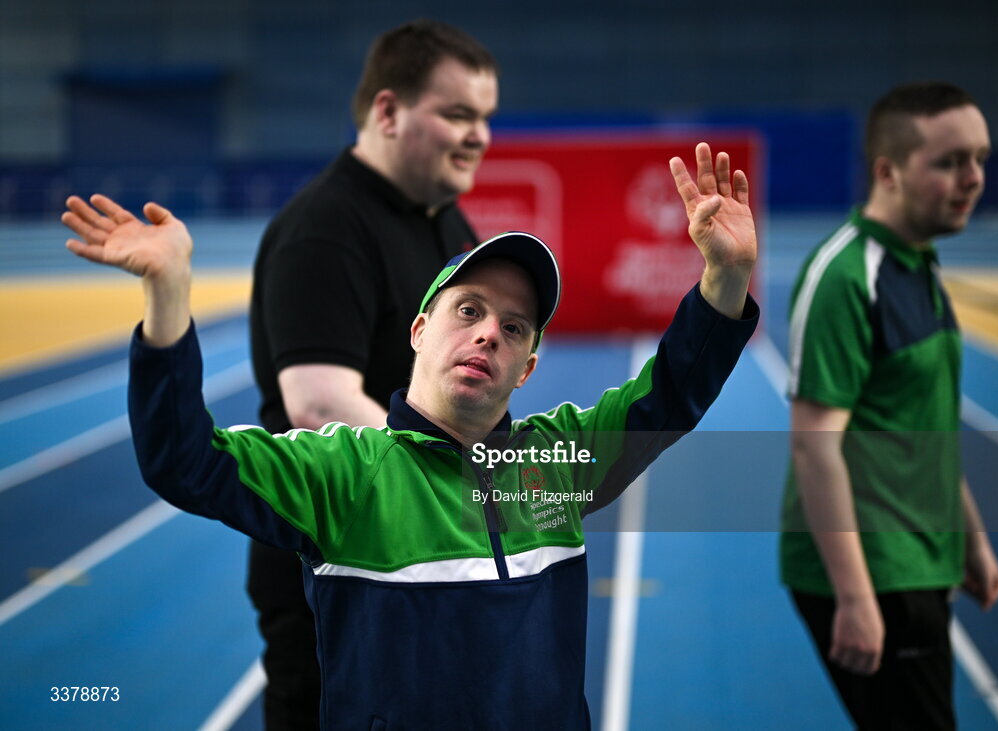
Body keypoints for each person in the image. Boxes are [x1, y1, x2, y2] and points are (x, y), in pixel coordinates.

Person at [63, 142, 756, 729]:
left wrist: (723, 277)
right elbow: (182, 459)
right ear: (420, 331)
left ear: (526, 369)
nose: (489, 331)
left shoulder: (558, 461)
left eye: (513, 328)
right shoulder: (342, 472)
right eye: (469, 309)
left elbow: (669, 392)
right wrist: (167, 295)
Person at [247, 19, 496, 727]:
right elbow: (319, 404)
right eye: (457, 114)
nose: (479, 134)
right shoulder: (325, 228)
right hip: (333, 565)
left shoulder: (444, 219)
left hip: (417, 544)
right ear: (387, 111)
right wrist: (457, 478)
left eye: (484, 117)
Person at [780, 82, 998, 729]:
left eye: (980, 158)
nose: (972, 179)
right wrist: (854, 597)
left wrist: (970, 537)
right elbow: (813, 446)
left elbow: (921, 423)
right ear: (887, 171)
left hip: (920, 551)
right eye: (948, 161)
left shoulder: (918, 262)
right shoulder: (846, 276)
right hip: (875, 566)